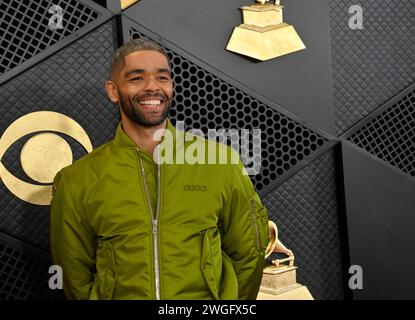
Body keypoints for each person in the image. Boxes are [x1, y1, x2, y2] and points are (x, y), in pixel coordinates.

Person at [50, 38, 269, 300]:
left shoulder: (220, 163)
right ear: (113, 90)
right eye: (136, 78)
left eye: (162, 78)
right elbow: (74, 274)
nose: (152, 87)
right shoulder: (78, 179)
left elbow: (248, 256)